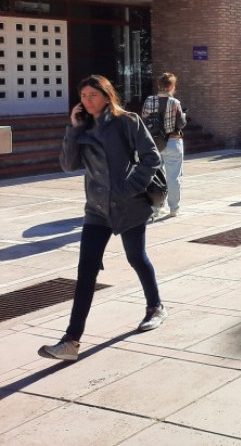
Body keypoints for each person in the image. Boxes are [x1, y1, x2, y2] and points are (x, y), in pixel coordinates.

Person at [38, 75, 166, 362]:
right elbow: (68, 164)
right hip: (96, 209)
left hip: (128, 205)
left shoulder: (128, 121)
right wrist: (73, 130)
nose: (86, 100)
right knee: (86, 271)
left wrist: (128, 188)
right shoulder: (83, 127)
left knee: (136, 257)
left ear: (107, 96)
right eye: (82, 95)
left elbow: (151, 157)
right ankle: (71, 340)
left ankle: (155, 306)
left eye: (92, 95)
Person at [141, 72, 187, 217]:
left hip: (154, 143)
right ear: (172, 86)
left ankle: (157, 207)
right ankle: (174, 209)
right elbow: (181, 123)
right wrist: (183, 115)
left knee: (155, 176)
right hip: (173, 141)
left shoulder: (149, 100)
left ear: (159, 85)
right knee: (173, 177)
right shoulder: (175, 103)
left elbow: (143, 119)